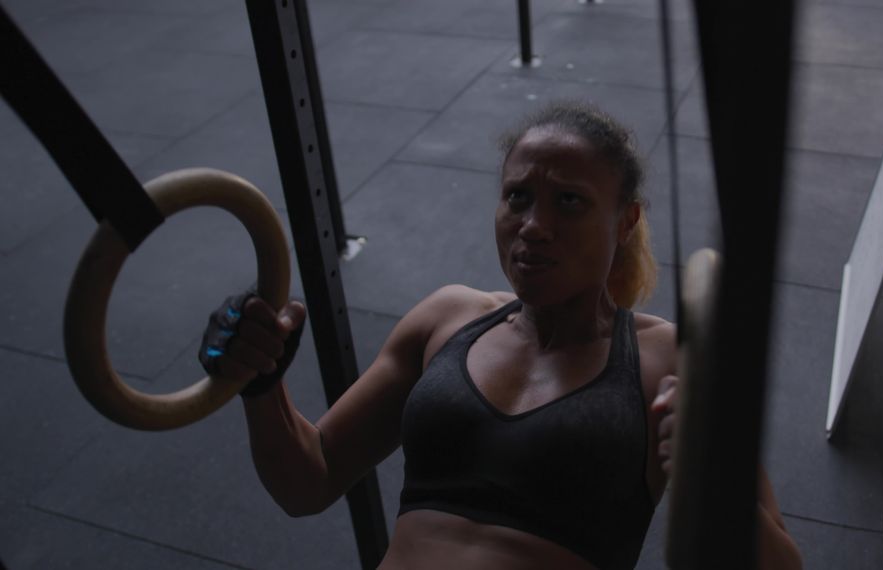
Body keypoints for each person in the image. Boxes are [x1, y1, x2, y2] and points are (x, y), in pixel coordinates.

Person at [201, 102, 802, 569]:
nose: (534, 226)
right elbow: (309, 481)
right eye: (518, 197)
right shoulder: (447, 319)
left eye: (569, 202)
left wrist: (718, 483)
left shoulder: (665, 361)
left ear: (627, 220)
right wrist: (261, 385)